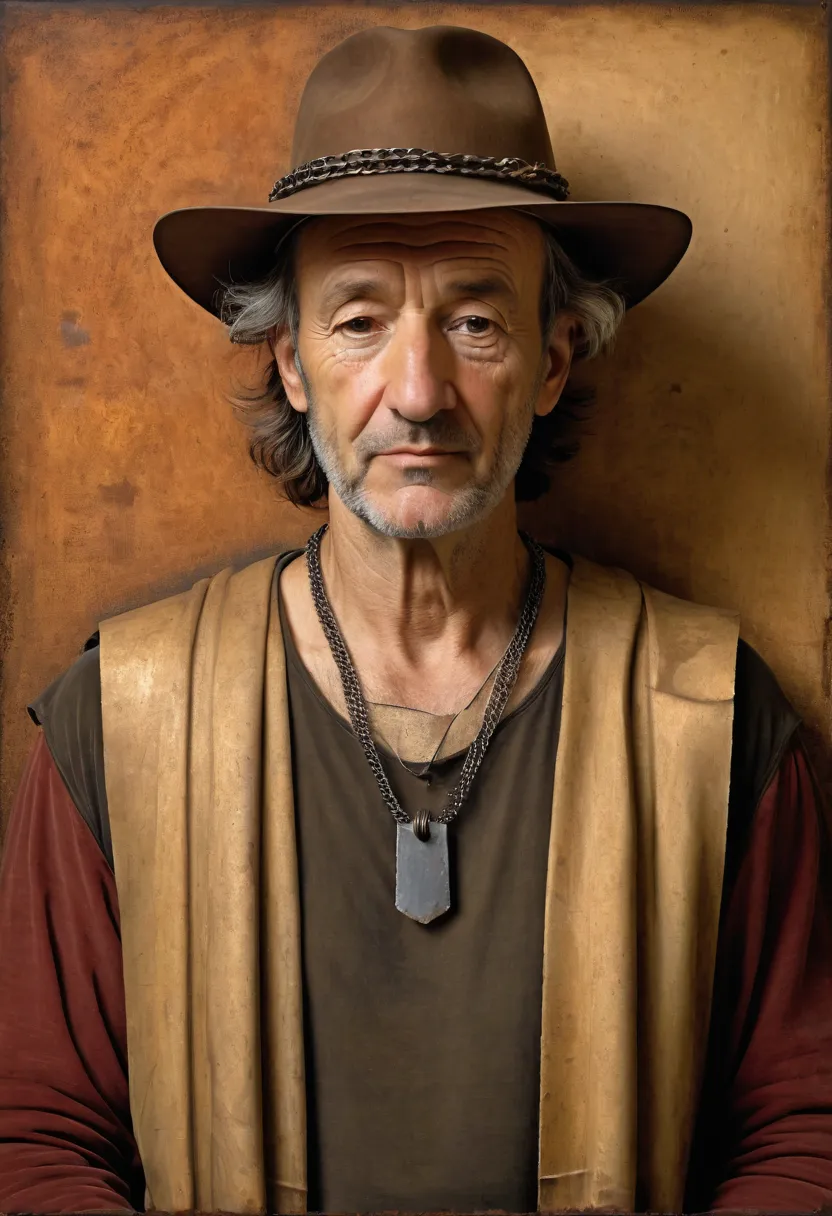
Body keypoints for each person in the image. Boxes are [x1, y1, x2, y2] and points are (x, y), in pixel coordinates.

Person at [0, 23, 830, 1216]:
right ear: (290, 362)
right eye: (357, 321)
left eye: (475, 320)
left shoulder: (711, 711)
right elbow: (34, 1137)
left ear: (552, 361)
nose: (420, 389)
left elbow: (804, 1130)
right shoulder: (119, 715)